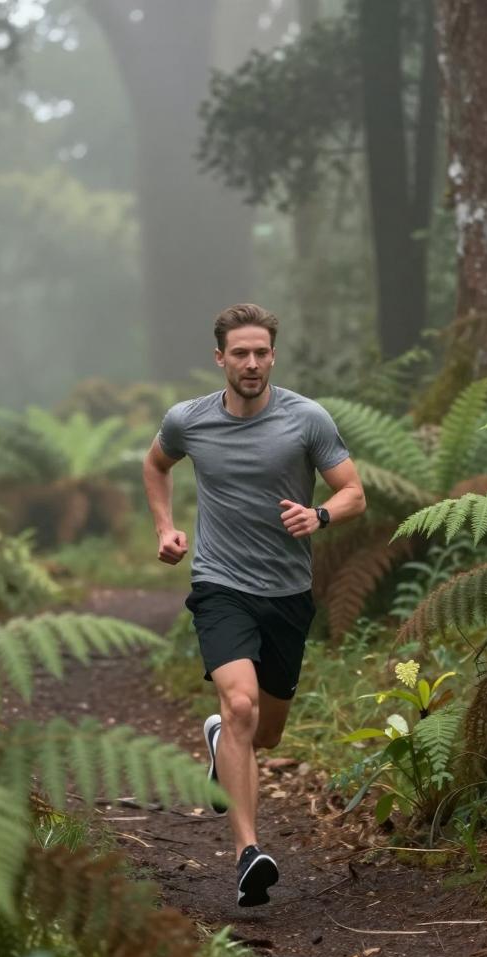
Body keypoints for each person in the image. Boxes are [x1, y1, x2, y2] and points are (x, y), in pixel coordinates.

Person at [142, 302, 366, 908]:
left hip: (288, 593)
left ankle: (220, 741)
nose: (250, 362)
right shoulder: (188, 421)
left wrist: (318, 514)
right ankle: (247, 855)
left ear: (273, 355)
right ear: (220, 358)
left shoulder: (306, 420)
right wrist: (165, 529)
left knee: (263, 733)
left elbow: (354, 493)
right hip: (219, 586)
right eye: (239, 352)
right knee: (239, 704)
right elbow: (155, 464)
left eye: (260, 351)